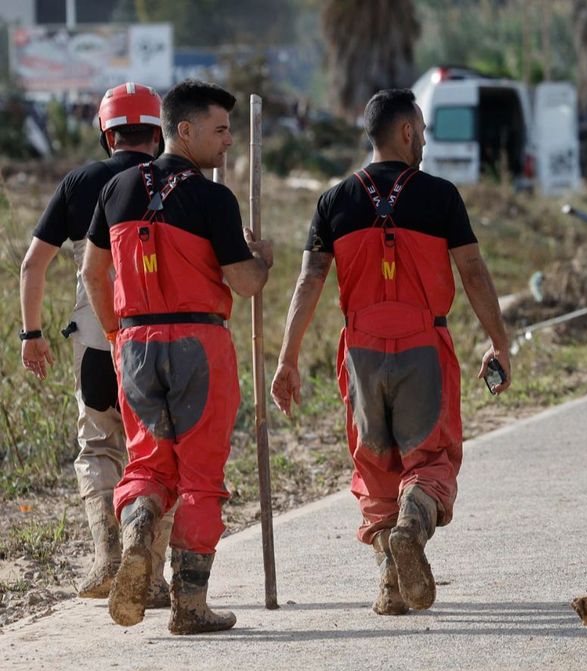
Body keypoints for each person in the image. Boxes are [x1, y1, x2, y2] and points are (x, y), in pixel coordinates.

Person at [271, 88, 511, 616]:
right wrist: (499, 339)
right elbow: (472, 271)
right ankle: (410, 530)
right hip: (424, 345)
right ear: (405, 132)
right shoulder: (440, 196)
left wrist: (287, 358)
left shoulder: (334, 200)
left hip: (360, 352)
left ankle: (389, 584)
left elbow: (309, 280)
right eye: (422, 130)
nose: (424, 139)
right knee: (431, 459)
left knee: (376, 467)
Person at [82, 80, 272, 634]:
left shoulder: (115, 191)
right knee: (200, 477)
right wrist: (260, 258)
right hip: (199, 345)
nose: (230, 142)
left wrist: (119, 334)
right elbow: (243, 283)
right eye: (220, 130)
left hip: (135, 345)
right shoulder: (213, 198)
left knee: (146, 465)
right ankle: (190, 606)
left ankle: (139, 526)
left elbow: (94, 272)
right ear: (183, 130)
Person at [19, 82, 174, 606]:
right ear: (158, 133)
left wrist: (32, 334)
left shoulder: (79, 182)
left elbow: (32, 265)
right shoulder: (181, 180)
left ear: (108, 135)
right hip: (165, 338)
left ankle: (107, 556)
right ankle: (151, 575)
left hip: (97, 342)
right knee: (158, 452)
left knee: (99, 447)